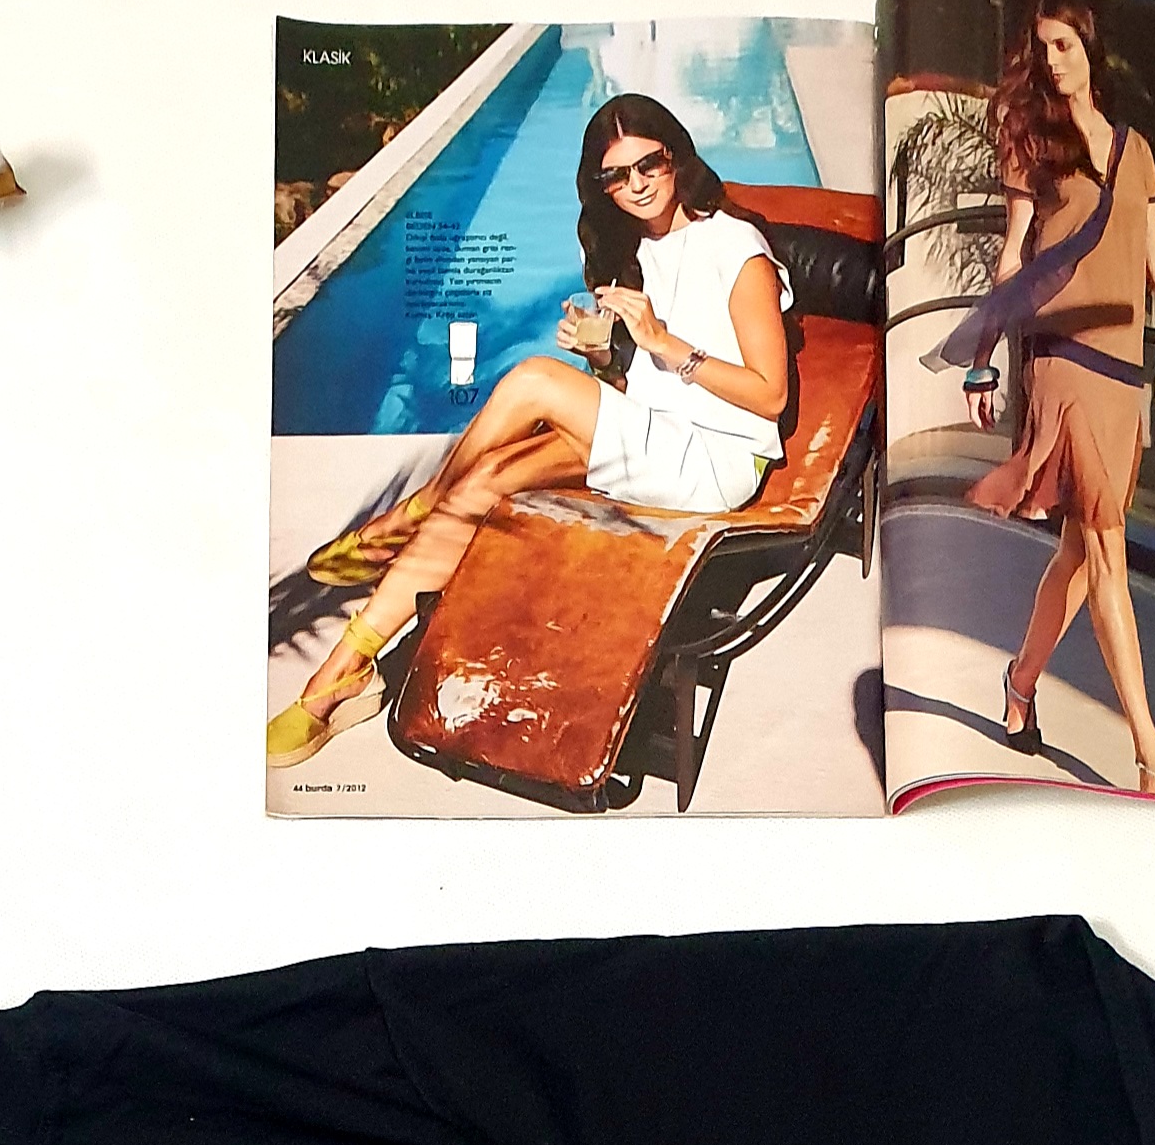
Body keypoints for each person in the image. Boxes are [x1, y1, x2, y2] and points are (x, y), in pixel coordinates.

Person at [269, 97, 794, 768]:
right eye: (615, 176)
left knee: (535, 379)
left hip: (715, 459)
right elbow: (634, 390)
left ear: (677, 157)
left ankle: (411, 512)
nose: (635, 185)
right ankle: (339, 677)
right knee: (483, 482)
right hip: (656, 435)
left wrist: (662, 341)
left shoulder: (736, 248)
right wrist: (604, 355)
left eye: (649, 165)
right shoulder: (634, 250)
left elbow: (769, 395)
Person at [946, 0, 1155, 796]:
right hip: (1063, 361)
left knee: (1081, 555)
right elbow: (1014, 255)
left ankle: (1020, 684)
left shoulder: (1136, 152)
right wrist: (982, 357)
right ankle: (1150, 757)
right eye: (1042, 47)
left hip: (1123, 371)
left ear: (1092, 52)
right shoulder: (1031, 141)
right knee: (1110, 553)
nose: (1053, 61)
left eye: (1065, 45)